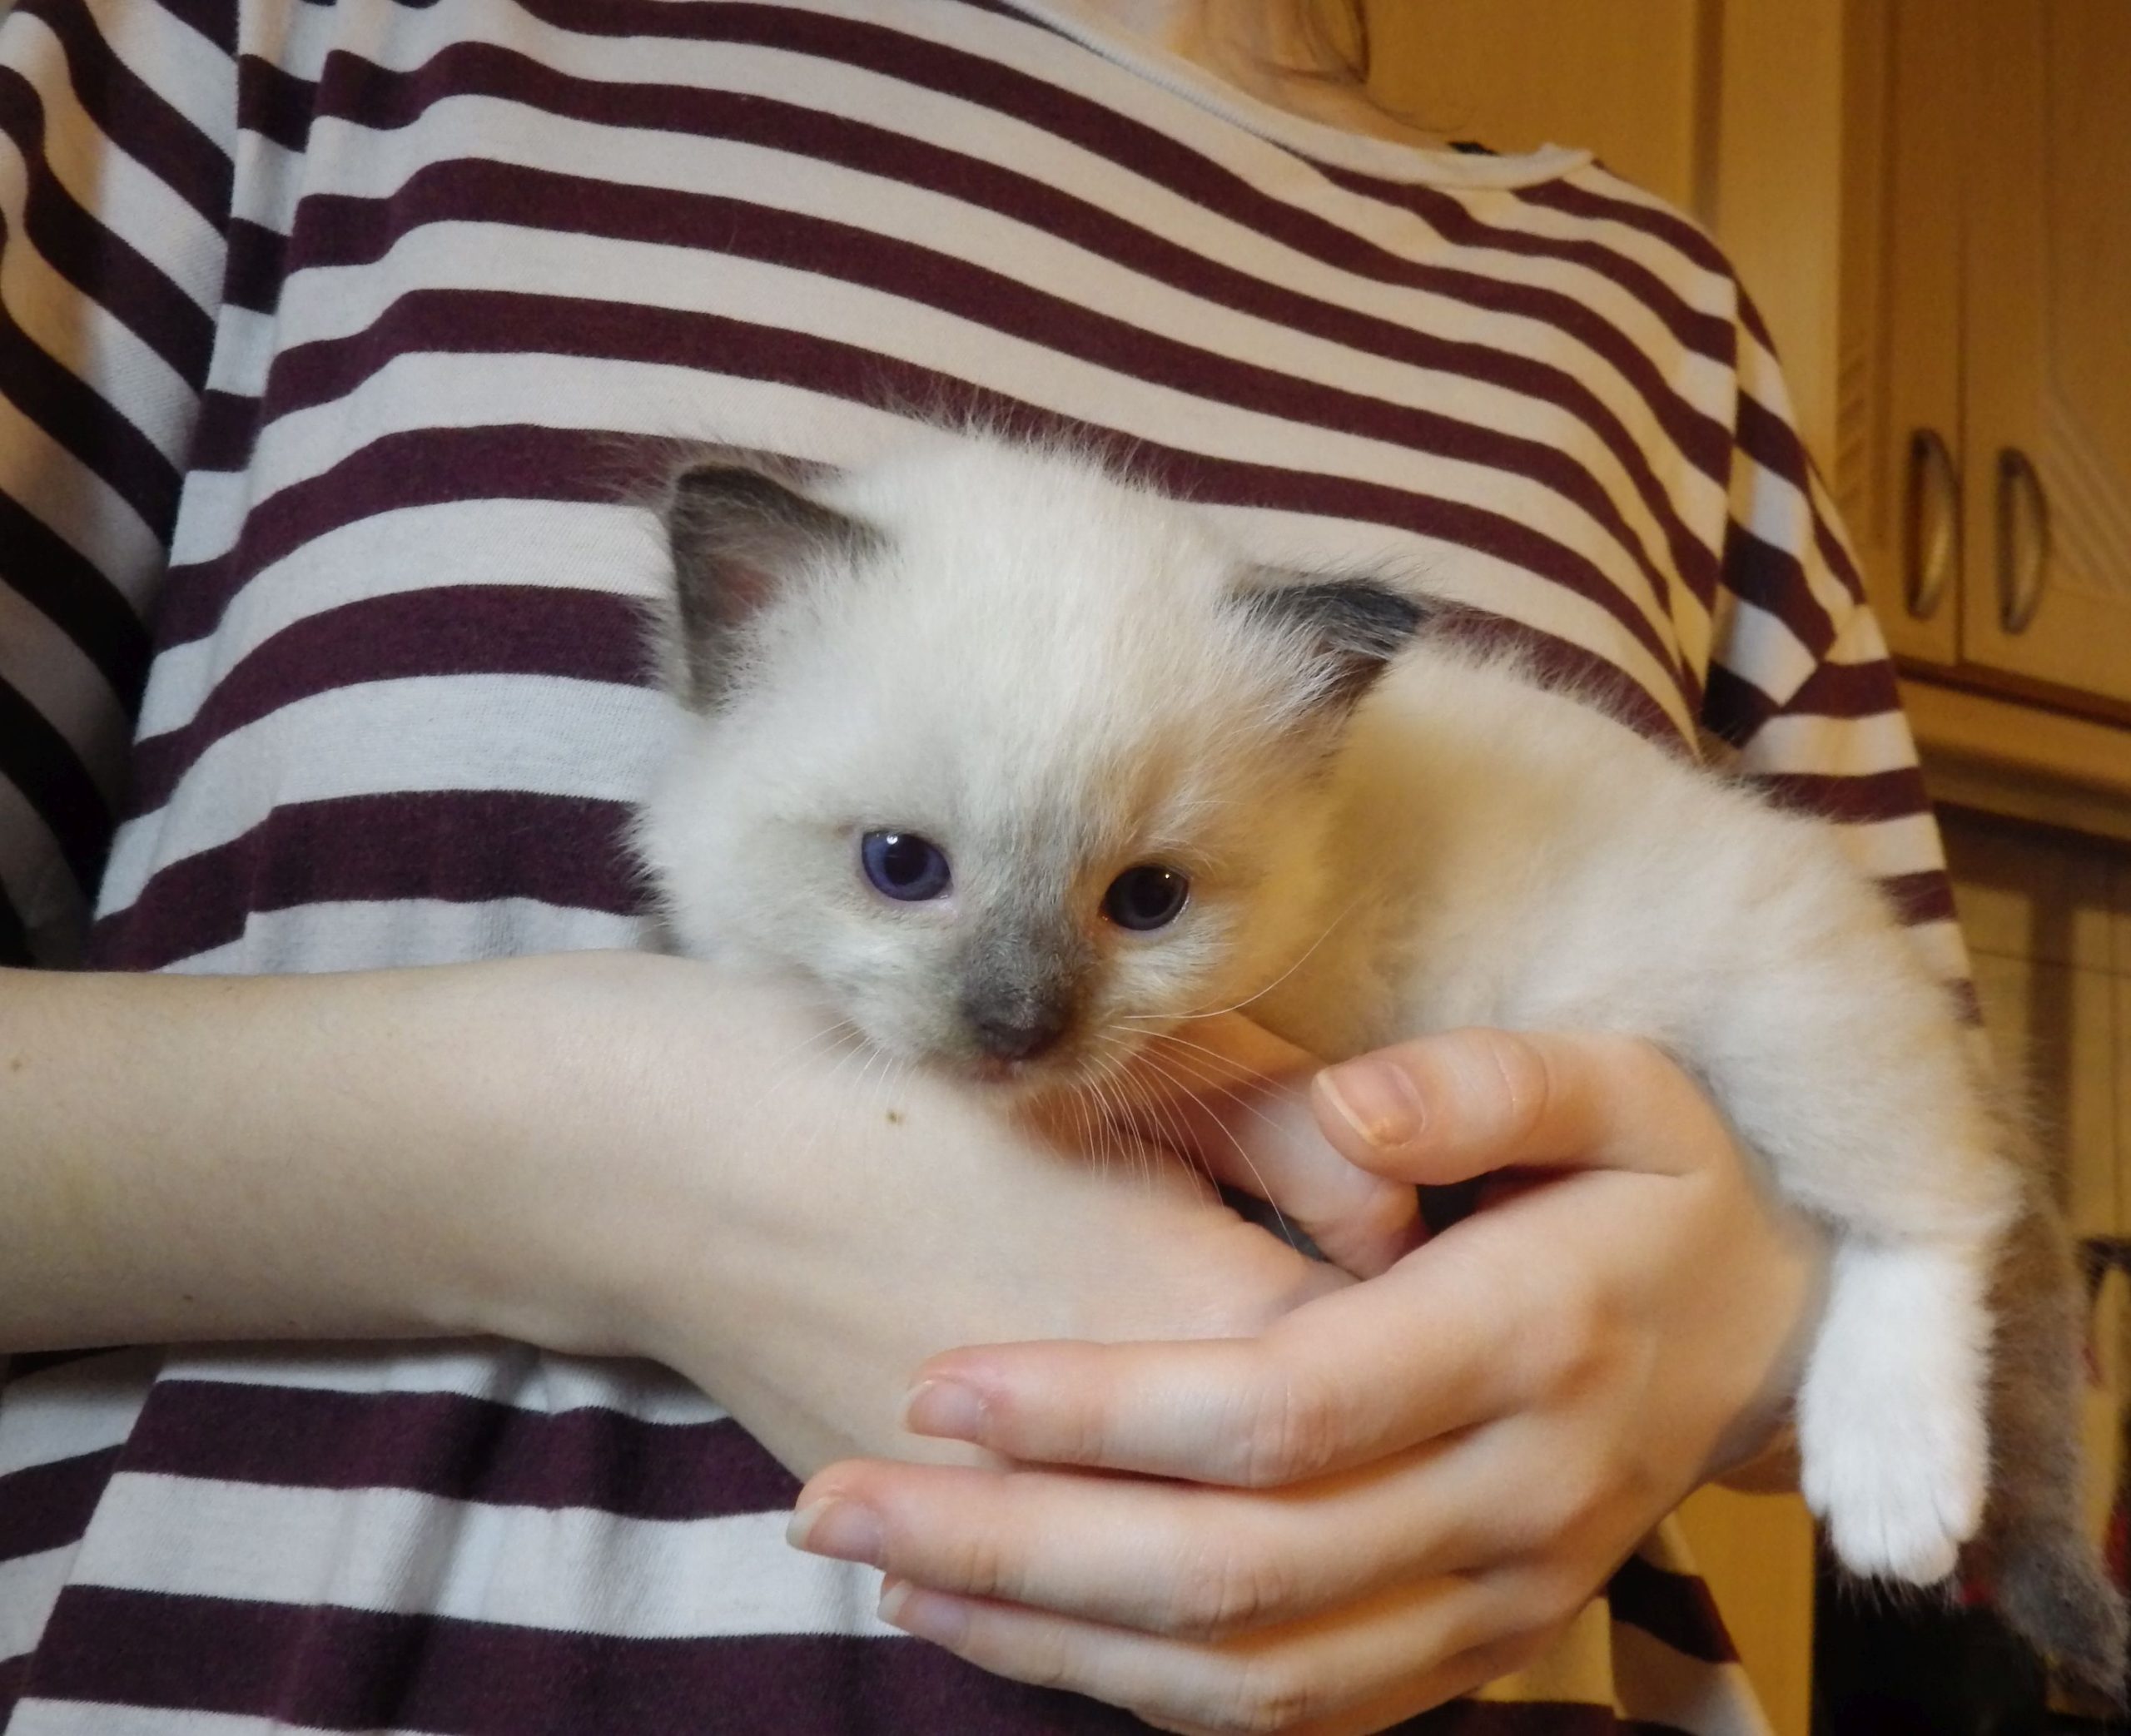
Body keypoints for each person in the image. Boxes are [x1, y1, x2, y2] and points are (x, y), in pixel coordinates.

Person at [0, 0, 1951, 1729]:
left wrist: (1741, 1312)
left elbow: (1884, 1126)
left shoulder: (1643, 315)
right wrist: (620, 1162)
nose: (1018, 1015)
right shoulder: (276, 40)